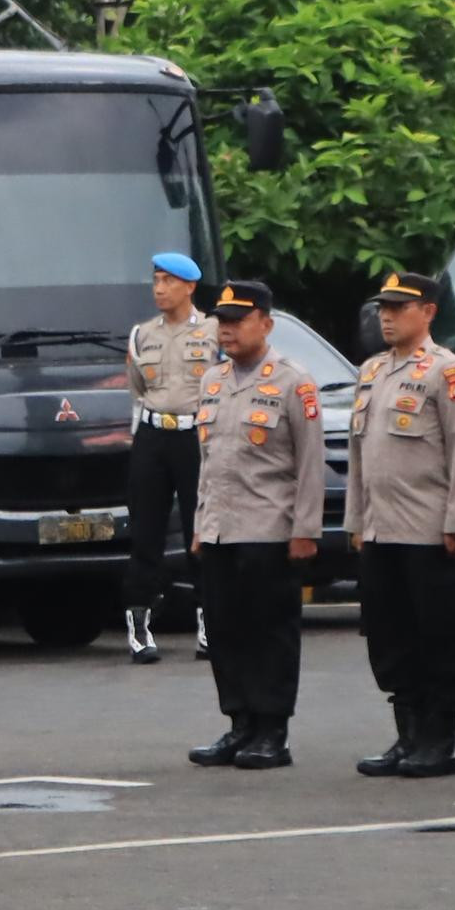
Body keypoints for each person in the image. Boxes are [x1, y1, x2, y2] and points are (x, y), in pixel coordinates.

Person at [347, 271, 455, 777]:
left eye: (398, 307)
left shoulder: (446, 373)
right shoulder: (372, 372)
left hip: (431, 532)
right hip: (383, 533)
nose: (386, 316)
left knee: (439, 638)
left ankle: (438, 742)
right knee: (390, 638)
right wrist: (357, 521)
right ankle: (407, 736)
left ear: (427, 312)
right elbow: (361, 457)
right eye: (383, 307)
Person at [186, 279, 327, 767]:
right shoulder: (212, 381)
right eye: (221, 321)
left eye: (237, 320)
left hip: (270, 529)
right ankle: (239, 723)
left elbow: (312, 463)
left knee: (270, 633)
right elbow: (208, 460)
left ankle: (272, 729)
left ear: (265, 324)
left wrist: (306, 529)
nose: (227, 330)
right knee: (225, 631)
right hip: (222, 529)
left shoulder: (293, 381)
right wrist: (202, 523)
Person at [123, 252, 219, 663]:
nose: (159, 289)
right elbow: (135, 386)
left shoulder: (214, 332)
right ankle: (139, 626)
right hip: (152, 433)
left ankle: (209, 623)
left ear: (189, 286)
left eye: (168, 281)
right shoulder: (142, 334)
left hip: (194, 435)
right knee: (146, 530)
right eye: (156, 280)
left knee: (203, 527)